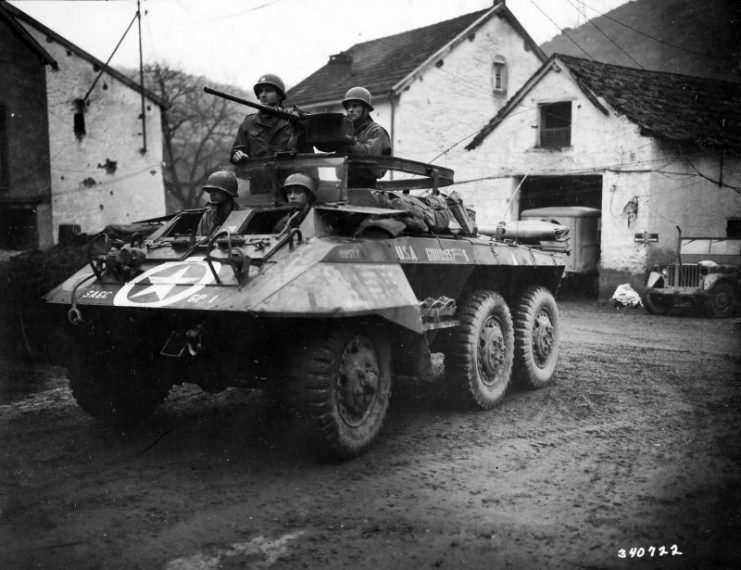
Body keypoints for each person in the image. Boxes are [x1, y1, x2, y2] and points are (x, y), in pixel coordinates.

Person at [230, 74, 311, 163]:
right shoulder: (249, 123)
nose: (263, 95)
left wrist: (302, 120)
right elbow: (237, 152)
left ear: (279, 95)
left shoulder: (295, 121)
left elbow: (309, 158)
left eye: (268, 90)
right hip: (257, 174)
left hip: (289, 175)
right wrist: (237, 154)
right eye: (260, 92)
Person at [341, 87, 392, 188]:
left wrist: (351, 140)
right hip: (344, 186)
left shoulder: (376, 131)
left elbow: (369, 159)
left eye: (355, 106)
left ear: (366, 109)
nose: (350, 110)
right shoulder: (346, 131)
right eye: (348, 107)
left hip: (366, 188)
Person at [196, 170, 239, 237]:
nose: (211, 194)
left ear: (229, 192)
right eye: (210, 191)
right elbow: (200, 240)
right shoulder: (208, 215)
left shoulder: (243, 214)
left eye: (216, 190)